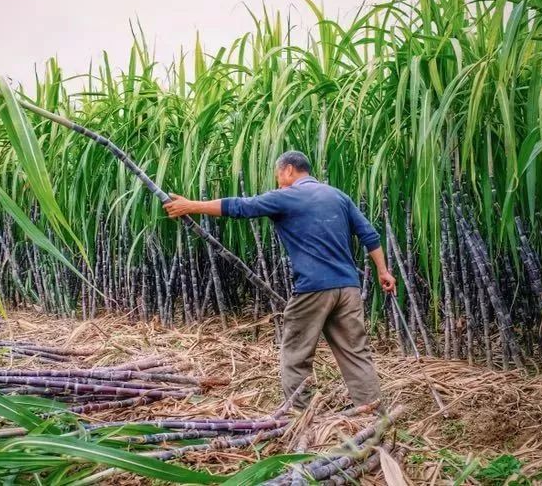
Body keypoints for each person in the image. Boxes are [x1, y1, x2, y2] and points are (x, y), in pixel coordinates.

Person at [163, 151, 395, 408]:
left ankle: (298, 415)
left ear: (288, 170)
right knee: (356, 353)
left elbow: (241, 207)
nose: (278, 182)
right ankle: (373, 412)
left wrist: (193, 206)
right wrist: (383, 272)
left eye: (278, 176)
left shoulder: (288, 196)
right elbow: (370, 235)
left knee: (296, 354)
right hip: (349, 289)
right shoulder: (338, 196)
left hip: (314, 289)